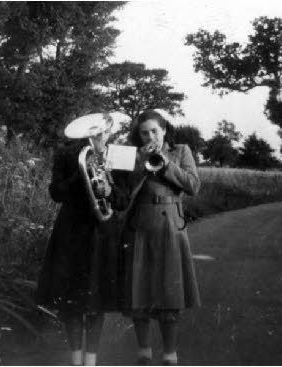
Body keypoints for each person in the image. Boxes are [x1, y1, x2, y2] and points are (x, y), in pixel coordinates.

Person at [35, 130, 127, 366]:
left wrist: (110, 191)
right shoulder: (67, 154)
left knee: (97, 298)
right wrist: (81, 172)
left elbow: (125, 200)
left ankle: (91, 360)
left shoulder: (119, 154)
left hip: (103, 232)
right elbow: (55, 193)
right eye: (94, 131)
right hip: (71, 231)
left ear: (109, 131)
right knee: (71, 297)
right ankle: (76, 359)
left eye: (103, 131)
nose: (99, 135)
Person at [118, 110, 201, 365]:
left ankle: (169, 355)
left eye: (154, 130)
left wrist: (165, 163)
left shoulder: (181, 150)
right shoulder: (130, 153)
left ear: (164, 129)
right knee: (138, 292)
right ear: (138, 134)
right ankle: (143, 353)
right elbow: (121, 197)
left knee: (169, 293)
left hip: (170, 226)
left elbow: (193, 186)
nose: (150, 136)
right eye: (144, 132)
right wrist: (140, 168)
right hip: (139, 224)